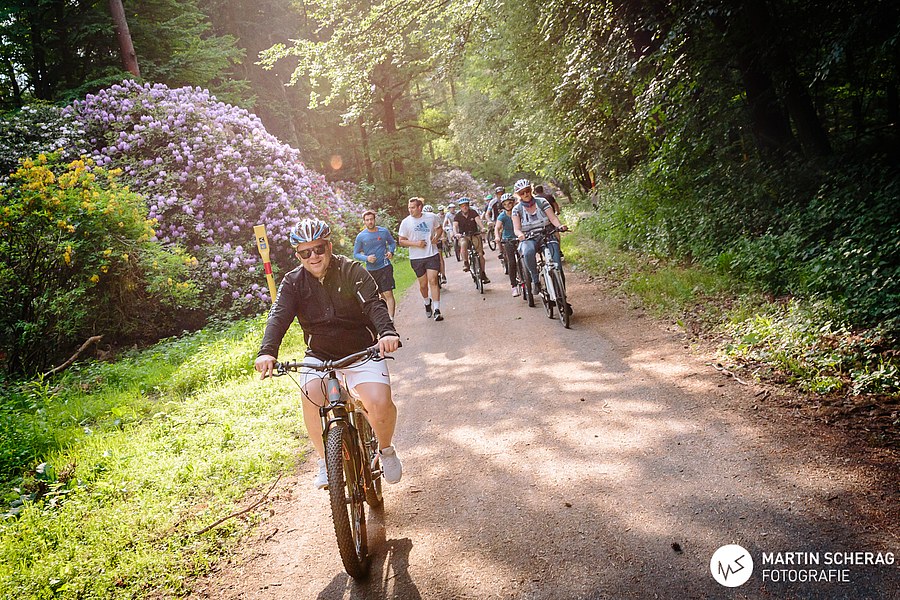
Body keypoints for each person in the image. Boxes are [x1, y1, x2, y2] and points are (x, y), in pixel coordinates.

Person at [255, 218, 403, 490]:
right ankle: (325, 460)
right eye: (305, 252)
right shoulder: (293, 282)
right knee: (310, 395)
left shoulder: (352, 271)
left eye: (319, 249)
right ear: (298, 255)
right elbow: (278, 317)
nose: (313, 256)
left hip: (361, 351)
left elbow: (374, 304)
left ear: (330, 246)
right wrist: (267, 352)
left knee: (380, 403)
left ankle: (386, 450)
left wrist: (386, 333)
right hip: (320, 355)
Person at [511, 179, 568, 308]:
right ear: (518, 195)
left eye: (527, 191)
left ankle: (562, 298)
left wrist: (559, 226)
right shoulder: (517, 209)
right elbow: (516, 228)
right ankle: (535, 279)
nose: (525, 194)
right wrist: (520, 235)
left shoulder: (542, 202)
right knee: (528, 252)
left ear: (531, 190)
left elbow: (552, 218)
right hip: (529, 237)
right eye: (522, 193)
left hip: (546, 234)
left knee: (557, 266)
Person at [398, 197, 444, 321]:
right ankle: (427, 302)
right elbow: (401, 241)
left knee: (433, 280)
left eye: (413, 207)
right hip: (416, 257)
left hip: (431, 254)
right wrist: (416, 244)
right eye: (409, 208)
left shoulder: (431, 217)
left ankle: (437, 310)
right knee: (423, 285)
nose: (410, 210)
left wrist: (436, 238)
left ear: (420, 207)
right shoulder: (406, 222)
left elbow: (439, 228)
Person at [353, 210, 398, 318]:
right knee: (380, 296)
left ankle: (391, 320)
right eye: (367, 220)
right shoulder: (361, 236)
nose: (370, 222)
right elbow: (356, 254)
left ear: (374, 219)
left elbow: (392, 243)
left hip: (385, 266)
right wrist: (366, 258)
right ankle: (386, 317)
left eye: (371, 219)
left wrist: (391, 252)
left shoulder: (383, 231)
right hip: (371, 270)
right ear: (364, 222)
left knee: (388, 293)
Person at [452, 197, 489, 283]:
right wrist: (456, 233)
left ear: (468, 206)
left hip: (474, 234)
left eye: (466, 205)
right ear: (460, 207)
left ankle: (483, 273)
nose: (464, 207)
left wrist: (482, 228)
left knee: (480, 255)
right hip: (463, 236)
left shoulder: (473, 212)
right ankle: (466, 263)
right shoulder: (458, 216)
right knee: (463, 244)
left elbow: (478, 221)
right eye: (462, 206)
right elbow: (455, 226)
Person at [494, 193, 520, 296]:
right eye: (505, 204)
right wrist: (497, 237)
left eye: (510, 203)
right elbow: (497, 227)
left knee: (526, 257)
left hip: (520, 237)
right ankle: (514, 286)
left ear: (513, 203)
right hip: (508, 240)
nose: (508, 205)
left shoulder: (518, 212)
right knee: (512, 262)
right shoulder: (502, 215)